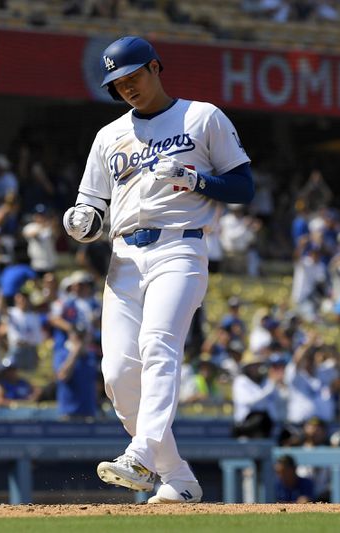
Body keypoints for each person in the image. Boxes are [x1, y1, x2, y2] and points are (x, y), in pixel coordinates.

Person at [62, 35, 253, 504]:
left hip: (180, 248)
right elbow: (93, 203)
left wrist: (195, 179)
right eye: (117, 82)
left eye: (132, 77)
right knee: (117, 374)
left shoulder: (201, 116)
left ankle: (142, 454)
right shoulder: (108, 136)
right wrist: (84, 220)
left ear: (155, 67)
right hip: (124, 257)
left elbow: (243, 185)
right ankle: (178, 478)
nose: (126, 87)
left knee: (157, 344)